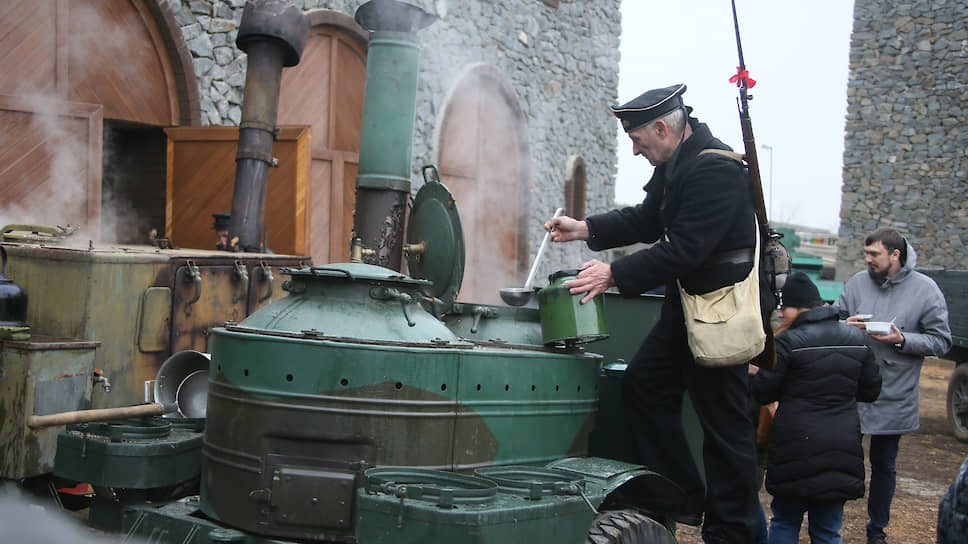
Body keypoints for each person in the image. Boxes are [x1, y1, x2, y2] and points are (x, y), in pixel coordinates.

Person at [546, 83, 773, 543]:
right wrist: (587, 228)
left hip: (720, 316)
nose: (635, 151)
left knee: (726, 430)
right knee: (644, 385)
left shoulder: (715, 171)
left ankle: (737, 531)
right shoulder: (678, 165)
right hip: (685, 311)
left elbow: (686, 249)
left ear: (664, 127)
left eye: (638, 141)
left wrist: (613, 275)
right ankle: (681, 493)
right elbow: (648, 219)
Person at [832, 226, 952, 544]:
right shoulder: (857, 282)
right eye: (866, 253)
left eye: (874, 254)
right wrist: (844, 325)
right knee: (841, 459)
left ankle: (877, 532)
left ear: (895, 255)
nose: (867, 259)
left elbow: (941, 341)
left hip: (894, 392)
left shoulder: (926, 290)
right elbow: (834, 318)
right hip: (852, 389)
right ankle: (831, 526)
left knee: (884, 464)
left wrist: (902, 340)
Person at [751, 272, 881, 544]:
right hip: (840, 445)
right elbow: (871, 391)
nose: (782, 314)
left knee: (785, 521)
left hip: (794, 445)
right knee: (828, 530)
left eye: (784, 308)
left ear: (798, 307)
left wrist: (753, 372)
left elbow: (763, 391)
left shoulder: (787, 342)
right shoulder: (857, 340)